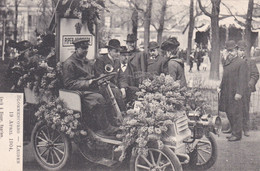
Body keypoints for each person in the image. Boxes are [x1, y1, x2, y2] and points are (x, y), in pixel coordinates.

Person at [62, 39, 117, 135]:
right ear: (76, 49)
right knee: (99, 98)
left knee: (110, 92)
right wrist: (88, 83)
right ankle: (106, 128)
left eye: (87, 48)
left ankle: (113, 122)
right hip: (79, 92)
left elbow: (92, 75)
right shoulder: (69, 63)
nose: (86, 50)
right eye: (83, 48)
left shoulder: (86, 61)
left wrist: (99, 79)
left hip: (89, 89)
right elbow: (69, 84)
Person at [219, 40, 249, 141]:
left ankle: (237, 134)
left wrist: (239, 92)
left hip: (235, 93)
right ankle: (233, 132)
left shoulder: (241, 62)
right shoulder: (227, 61)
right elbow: (225, 76)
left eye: (232, 50)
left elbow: (242, 79)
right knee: (228, 112)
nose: (230, 53)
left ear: (236, 50)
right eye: (228, 51)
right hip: (227, 92)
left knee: (236, 113)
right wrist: (220, 86)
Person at [94, 39, 127, 113]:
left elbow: (121, 76)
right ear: (109, 51)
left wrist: (123, 87)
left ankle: (131, 111)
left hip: (115, 86)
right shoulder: (101, 60)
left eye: (119, 51)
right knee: (116, 91)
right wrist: (116, 87)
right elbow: (100, 77)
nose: (118, 54)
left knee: (133, 90)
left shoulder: (117, 61)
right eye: (116, 51)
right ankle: (121, 113)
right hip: (104, 86)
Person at [237, 40, 259, 137]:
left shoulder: (250, 62)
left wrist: (250, 85)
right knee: (234, 108)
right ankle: (234, 128)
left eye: (243, 50)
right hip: (235, 90)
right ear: (237, 50)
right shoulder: (234, 61)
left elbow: (255, 74)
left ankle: (245, 128)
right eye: (240, 50)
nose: (241, 52)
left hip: (246, 89)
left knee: (245, 108)